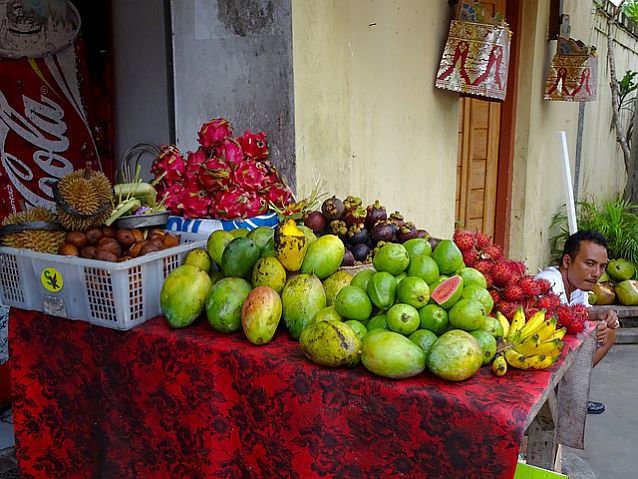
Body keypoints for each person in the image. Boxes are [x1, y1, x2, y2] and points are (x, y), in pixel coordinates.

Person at [535, 230, 619, 415]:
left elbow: (582, 312)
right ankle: (566, 396)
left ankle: (570, 395)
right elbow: (554, 328)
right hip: (536, 353)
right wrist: (594, 327)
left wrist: (603, 315)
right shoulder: (548, 283)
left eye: (602, 266)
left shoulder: (579, 284)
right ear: (567, 261)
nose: (596, 273)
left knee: (609, 334)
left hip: (557, 350)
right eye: (589, 264)